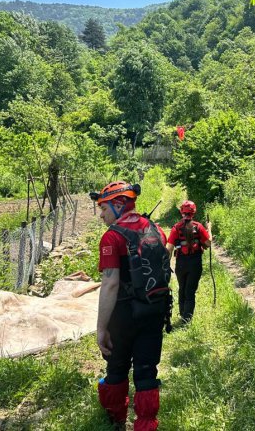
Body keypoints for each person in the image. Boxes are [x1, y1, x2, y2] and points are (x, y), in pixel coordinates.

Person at [94, 181, 168, 431]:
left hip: (123, 316)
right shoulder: (157, 230)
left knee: (117, 368)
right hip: (154, 311)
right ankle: (146, 425)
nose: (102, 215)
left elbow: (110, 284)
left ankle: (116, 419)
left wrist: (101, 329)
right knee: (147, 372)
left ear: (118, 204)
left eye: (104, 208)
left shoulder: (112, 236)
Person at [166, 200, 211, 323]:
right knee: (190, 291)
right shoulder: (199, 227)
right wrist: (209, 229)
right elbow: (208, 243)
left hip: (181, 263)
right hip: (195, 262)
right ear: (194, 212)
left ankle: (183, 315)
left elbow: (169, 248)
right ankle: (186, 319)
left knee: (182, 288)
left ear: (182, 212)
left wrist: (166, 264)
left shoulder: (176, 227)